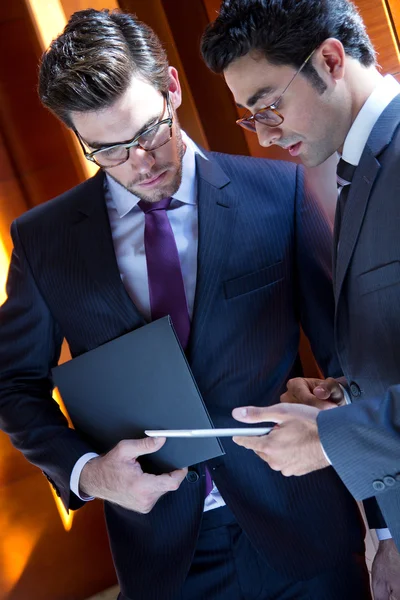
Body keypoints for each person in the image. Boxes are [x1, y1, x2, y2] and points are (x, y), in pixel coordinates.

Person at [0, 8, 372, 600]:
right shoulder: (44, 242)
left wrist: (386, 521)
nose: (139, 164)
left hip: (304, 530)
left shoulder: (278, 194)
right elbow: (11, 383)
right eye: (108, 151)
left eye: (147, 132)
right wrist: (86, 473)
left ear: (171, 87)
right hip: (164, 559)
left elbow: (351, 357)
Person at [201, 0, 400, 597]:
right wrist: (345, 395)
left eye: (268, 105)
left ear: (330, 59)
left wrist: (329, 438)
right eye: (249, 116)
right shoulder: (364, 171)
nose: (264, 133)